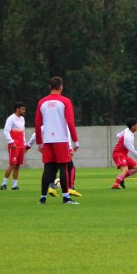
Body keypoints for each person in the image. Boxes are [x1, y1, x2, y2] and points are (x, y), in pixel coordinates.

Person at [34, 76, 79, 204]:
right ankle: (66, 198)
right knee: (63, 167)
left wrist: (39, 143)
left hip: (47, 140)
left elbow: (37, 124)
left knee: (47, 168)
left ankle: (42, 198)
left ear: (50, 87)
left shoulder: (41, 102)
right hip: (61, 139)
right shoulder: (65, 101)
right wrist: (75, 142)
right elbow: (70, 122)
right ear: (61, 87)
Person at [111, 118, 137, 189]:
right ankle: (115, 185)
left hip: (124, 155)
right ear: (132, 126)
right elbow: (133, 151)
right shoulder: (128, 137)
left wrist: (118, 135)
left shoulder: (127, 130)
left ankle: (121, 179)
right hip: (118, 154)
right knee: (125, 169)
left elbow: (119, 135)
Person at [1, 103, 27, 190]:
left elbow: (22, 132)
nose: (24, 111)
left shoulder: (22, 119)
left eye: (24, 109)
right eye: (22, 109)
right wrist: (11, 142)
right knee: (12, 164)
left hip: (21, 145)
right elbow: (6, 131)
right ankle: (3, 184)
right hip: (14, 146)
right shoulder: (11, 118)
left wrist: (24, 143)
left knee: (18, 166)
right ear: (17, 109)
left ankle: (14, 185)